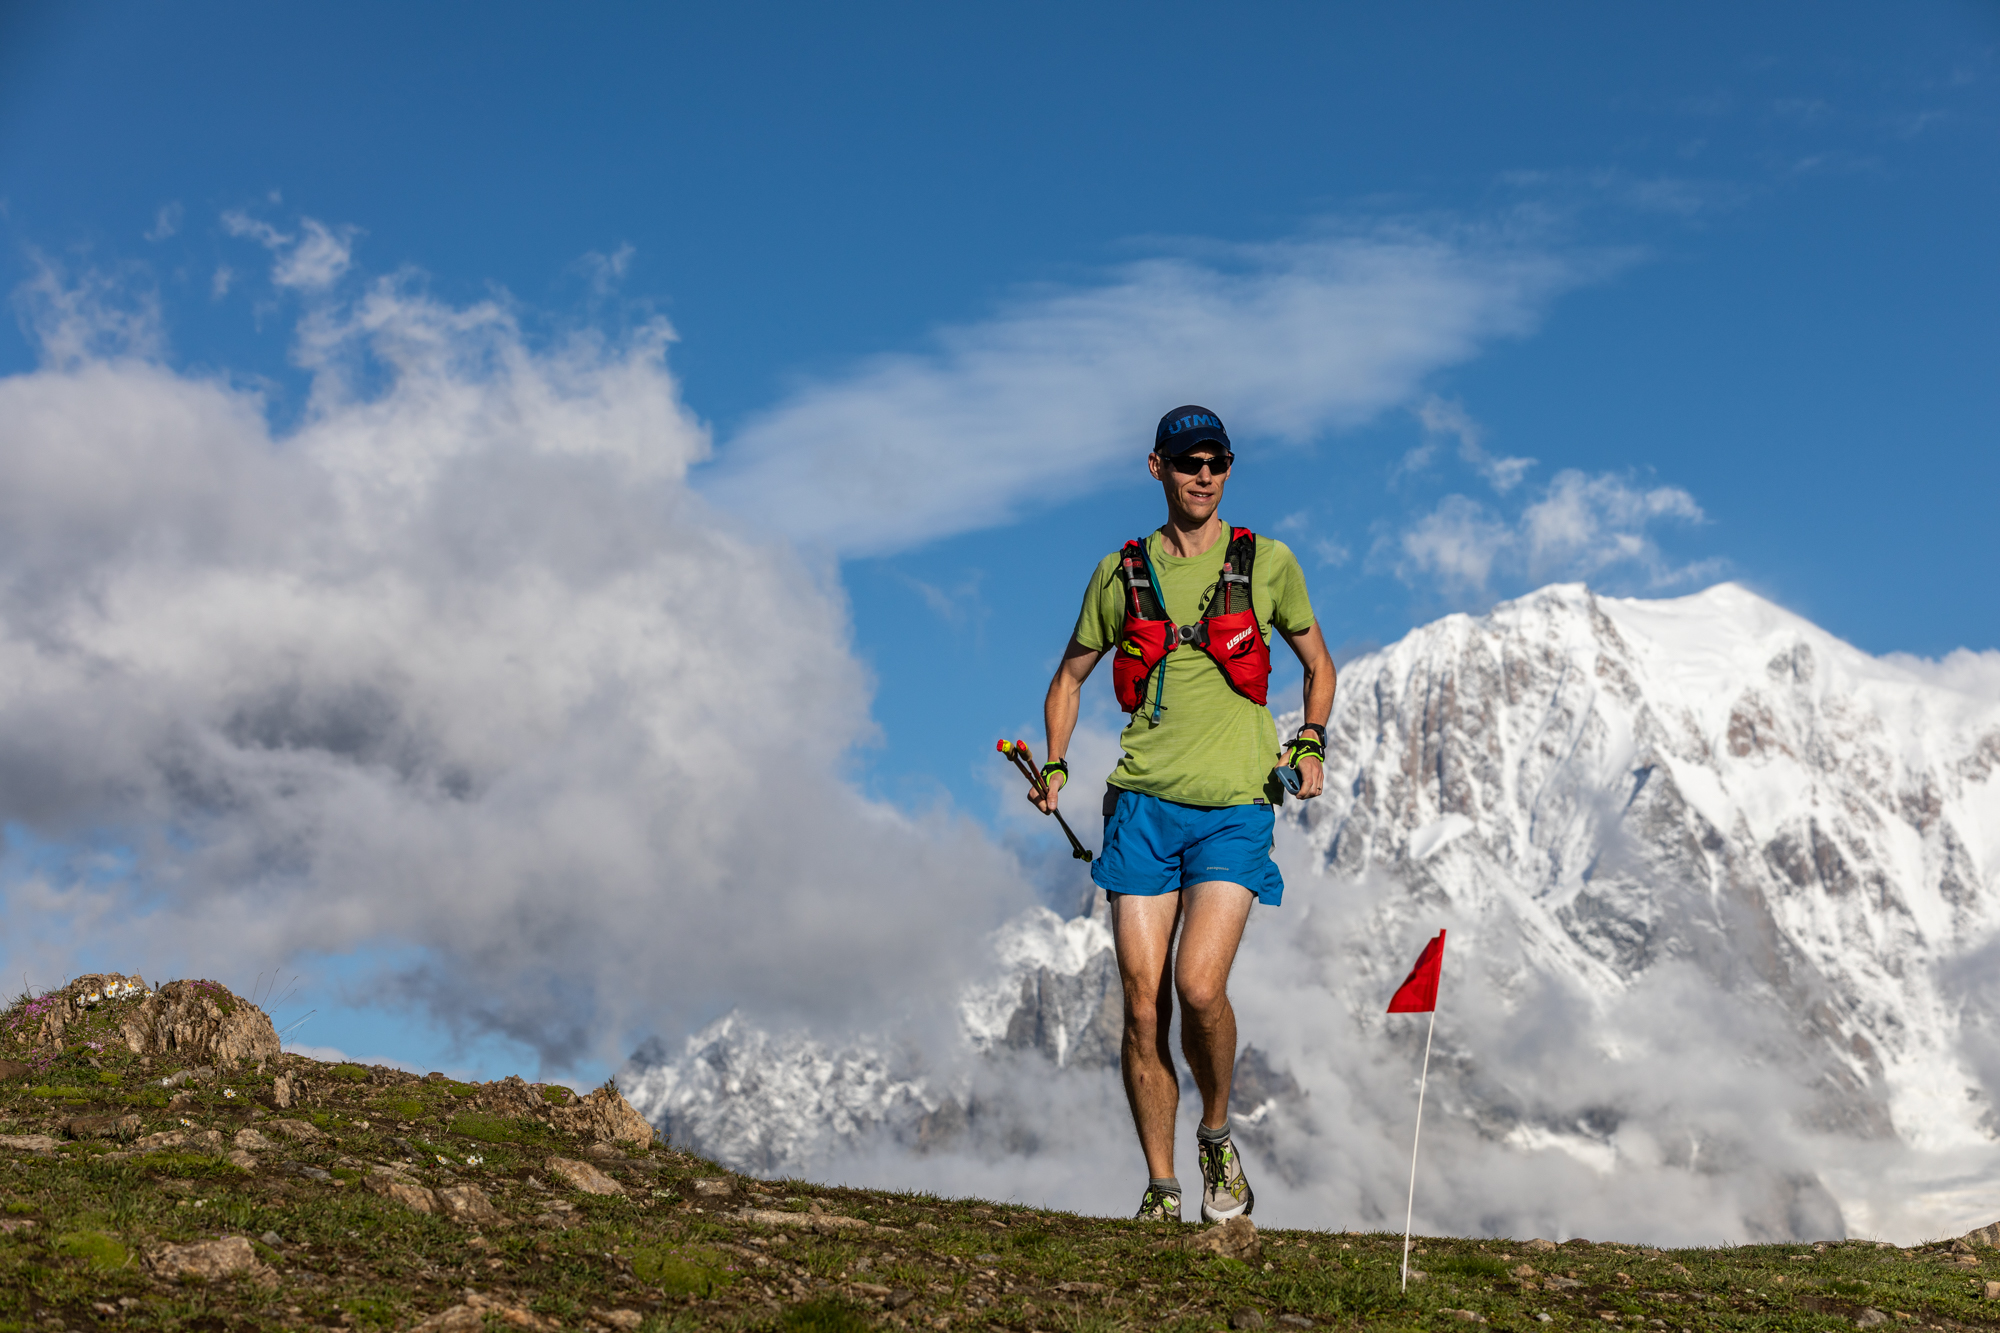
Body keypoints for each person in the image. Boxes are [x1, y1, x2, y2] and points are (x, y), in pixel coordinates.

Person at [1031, 404, 1335, 1223]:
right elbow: (1068, 679)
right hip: (1141, 809)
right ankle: (1162, 1188)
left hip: (1236, 806)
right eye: (1188, 461)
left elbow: (1318, 665)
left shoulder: (1267, 563)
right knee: (1142, 1005)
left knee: (1199, 987)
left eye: (1216, 461)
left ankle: (1216, 1133)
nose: (1204, 474)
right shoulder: (1119, 573)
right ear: (1157, 468)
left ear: (1228, 469)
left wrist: (1310, 741)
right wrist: (1054, 763)